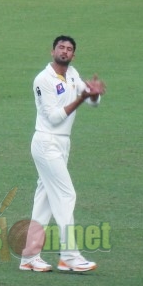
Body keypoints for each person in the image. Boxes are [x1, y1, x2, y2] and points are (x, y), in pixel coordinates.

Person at [20, 35, 106, 272]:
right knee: (66, 195)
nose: (65, 51)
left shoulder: (72, 74)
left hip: (62, 144)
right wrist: (82, 97)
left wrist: (94, 94)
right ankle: (69, 255)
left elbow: (92, 102)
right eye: (61, 47)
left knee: (45, 199)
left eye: (69, 49)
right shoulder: (43, 79)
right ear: (53, 51)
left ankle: (29, 257)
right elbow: (55, 117)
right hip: (46, 142)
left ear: (73, 55)